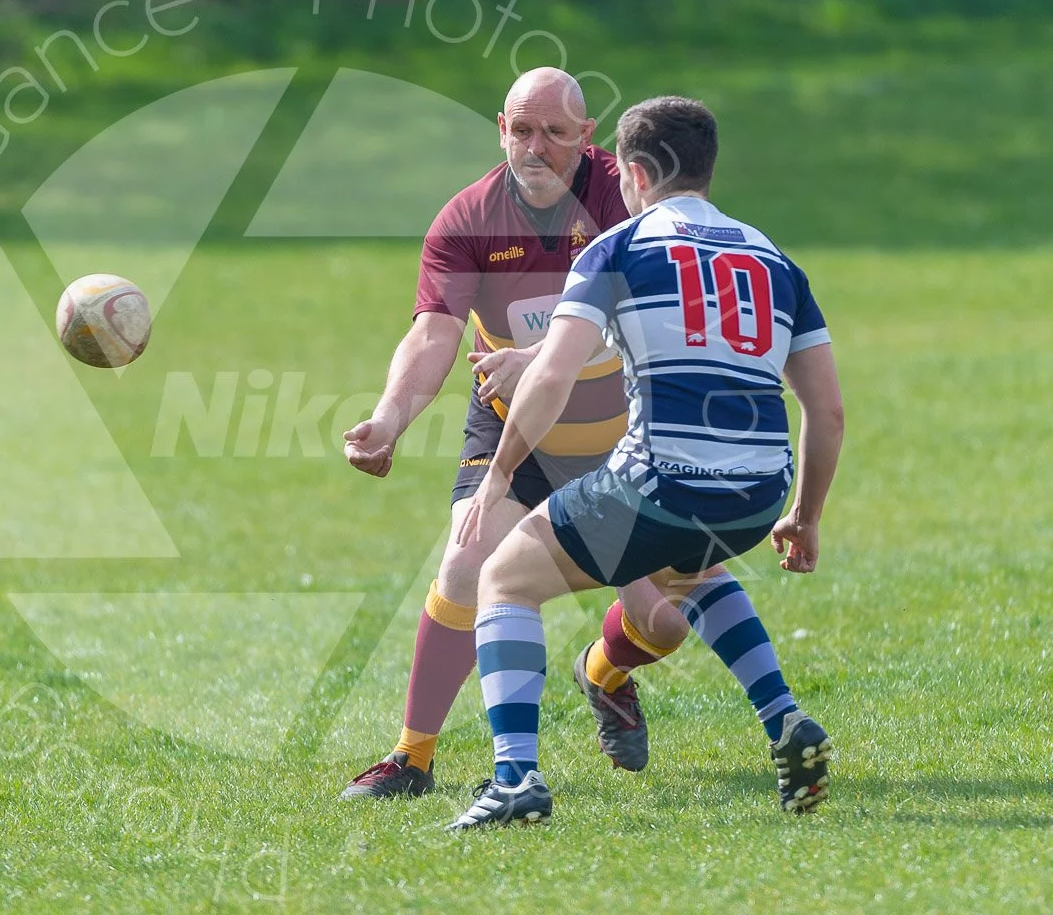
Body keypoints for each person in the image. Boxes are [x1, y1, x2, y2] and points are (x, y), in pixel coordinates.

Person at [447, 95, 843, 829]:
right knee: (690, 567)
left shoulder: (618, 248)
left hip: (659, 482)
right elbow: (828, 411)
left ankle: (515, 778)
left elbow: (554, 373)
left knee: (504, 577)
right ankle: (785, 720)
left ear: (632, 172)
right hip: (758, 493)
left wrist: (498, 473)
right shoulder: (774, 259)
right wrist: (805, 518)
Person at [339, 66, 675, 799]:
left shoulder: (629, 200)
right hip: (514, 437)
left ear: (587, 138)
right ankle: (412, 758)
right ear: (501, 129)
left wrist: (542, 356)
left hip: (627, 437)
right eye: (522, 130)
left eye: (555, 132)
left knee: (666, 619)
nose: (536, 147)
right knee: (465, 566)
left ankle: (604, 671)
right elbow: (433, 334)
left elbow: (659, 313)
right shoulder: (467, 219)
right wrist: (390, 417)